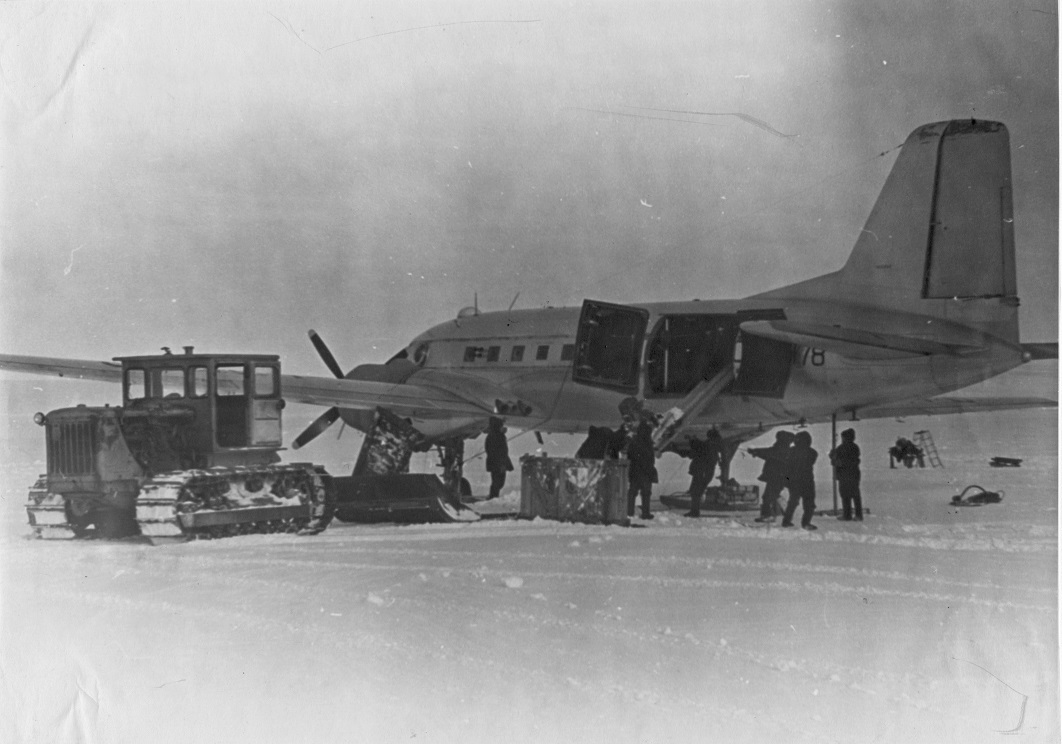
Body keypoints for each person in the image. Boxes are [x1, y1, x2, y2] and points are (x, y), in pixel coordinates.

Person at [749, 431, 793, 523]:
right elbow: (769, 454)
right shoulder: (784, 448)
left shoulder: (780, 448)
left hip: (776, 477)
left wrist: (756, 451)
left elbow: (769, 453)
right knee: (771, 495)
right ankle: (778, 510)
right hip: (779, 477)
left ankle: (768, 515)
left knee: (768, 497)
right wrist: (756, 452)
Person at [782, 431, 818, 529]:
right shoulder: (813, 452)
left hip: (794, 482)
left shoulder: (790, 451)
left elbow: (786, 468)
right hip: (807, 481)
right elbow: (811, 461)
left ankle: (786, 521)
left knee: (792, 502)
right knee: (809, 504)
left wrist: (786, 480)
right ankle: (806, 523)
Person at [684, 429, 721, 517]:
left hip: (701, 472)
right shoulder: (714, 445)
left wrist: (692, 439)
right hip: (705, 473)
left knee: (695, 492)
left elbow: (699, 447)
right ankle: (694, 511)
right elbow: (701, 446)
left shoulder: (709, 445)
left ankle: (695, 512)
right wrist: (693, 440)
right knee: (697, 492)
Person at [626, 421, 658, 520]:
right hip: (646, 472)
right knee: (646, 493)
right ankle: (645, 513)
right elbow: (650, 458)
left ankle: (629, 512)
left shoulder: (634, 442)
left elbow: (629, 455)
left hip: (635, 471)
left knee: (632, 492)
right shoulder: (648, 442)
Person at [829, 428, 863, 521]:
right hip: (853, 474)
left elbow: (840, 460)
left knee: (846, 495)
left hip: (845, 474)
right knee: (854, 495)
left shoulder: (844, 447)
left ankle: (848, 515)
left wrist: (836, 460)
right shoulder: (854, 447)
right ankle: (857, 515)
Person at [484, 417, 514, 499]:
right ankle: (493, 496)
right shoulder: (498, 436)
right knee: (498, 482)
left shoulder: (492, 436)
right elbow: (501, 452)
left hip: (495, 463)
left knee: (497, 481)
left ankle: (493, 496)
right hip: (499, 464)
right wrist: (502, 464)